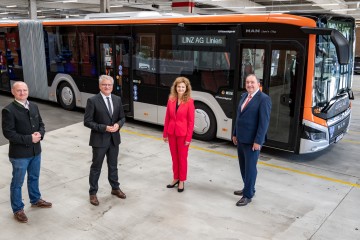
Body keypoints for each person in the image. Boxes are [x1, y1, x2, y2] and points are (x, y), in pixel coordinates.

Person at [2, 81, 52, 223]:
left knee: (34, 177)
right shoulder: (8, 110)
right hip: (19, 155)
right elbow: (9, 134)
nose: (22, 93)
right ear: (13, 92)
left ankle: (35, 199)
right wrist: (30, 138)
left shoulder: (34, 106)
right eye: (19, 90)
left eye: (25, 90)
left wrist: (40, 135)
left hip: (36, 151)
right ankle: (18, 209)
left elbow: (41, 124)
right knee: (17, 183)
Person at [84, 75, 126, 206]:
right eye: (104, 85)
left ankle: (115, 188)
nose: (107, 87)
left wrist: (118, 125)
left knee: (113, 166)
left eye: (109, 85)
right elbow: (87, 121)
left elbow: (122, 117)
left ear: (112, 86)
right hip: (99, 140)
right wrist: (104, 128)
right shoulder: (93, 100)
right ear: (100, 86)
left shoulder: (117, 99)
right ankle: (93, 193)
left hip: (114, 140)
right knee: (96, 167)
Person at [232, 74, 271, 206]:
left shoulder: (264, 99)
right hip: (241, 138)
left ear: (258, 84)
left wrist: (258, 141)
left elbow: (263, 123)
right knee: (243, 167)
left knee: (250, 168)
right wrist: (235, 133)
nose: (249, 85)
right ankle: (248, 188)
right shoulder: (244, 96)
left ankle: (248, 195)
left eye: (252, 82)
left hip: (252, 141)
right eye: (247, 82)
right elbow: (239, 117)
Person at [163, 77, 195, 193]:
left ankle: (182, 180)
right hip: (171, 133)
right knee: (174, 157)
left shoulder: (190, 102)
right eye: (178, 86)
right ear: (175, 88)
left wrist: (188, 138)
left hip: (183, 135)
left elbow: (191, 122)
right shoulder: (171, 99)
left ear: (186, 88)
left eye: (182, 87)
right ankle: (175, 178)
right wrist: (165, 133)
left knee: (182, 158)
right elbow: (167, 117)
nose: (180, 88)